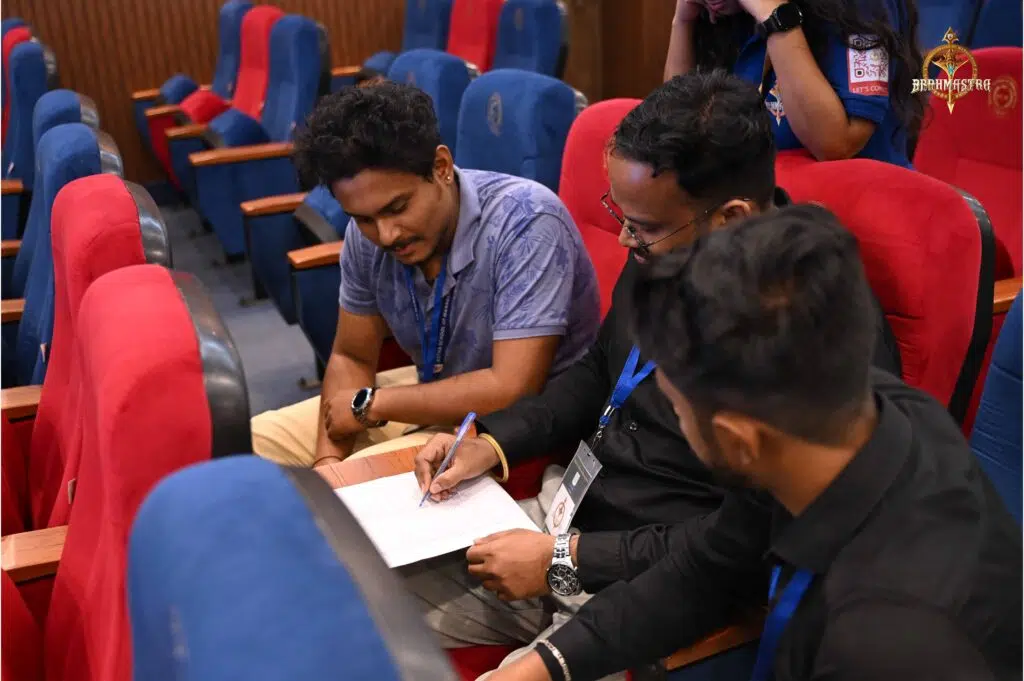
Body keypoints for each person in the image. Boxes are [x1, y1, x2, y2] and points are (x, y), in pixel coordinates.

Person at [404, 72, 901, 673]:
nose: (621, 238)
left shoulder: (810, 340)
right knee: (356, 594)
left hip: (653, 581)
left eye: (640, 228)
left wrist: (568, 561)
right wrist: (492, 442)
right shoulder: (668, 247)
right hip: (564, 516)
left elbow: (740, 549)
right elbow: (596, 374)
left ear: (729, 218)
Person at [484, 205, 1023, 681]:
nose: (668, 420)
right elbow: (703, 568)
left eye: (675, 409)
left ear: (738, 441)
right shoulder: (839, 419)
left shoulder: (889, 644)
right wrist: (543, 667)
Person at [249, 83, 601, 468]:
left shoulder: (527, 222)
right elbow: (351, 355)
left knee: (359, 482)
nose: (386, 235)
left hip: (509, 429)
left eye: (398, 207)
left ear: (441, 168)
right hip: (426, 396)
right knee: (248, 443)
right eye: (364, 219)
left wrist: (374, 405)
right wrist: (328, 461)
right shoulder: (366, 236)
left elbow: (512, 389)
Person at [665, 0, 925, 166]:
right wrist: (683, 22)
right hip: (762, 212)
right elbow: (677, 130)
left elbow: (835, 146)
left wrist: (776, 18)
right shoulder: (727, 15)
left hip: (849, 216)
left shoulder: (860, 8)